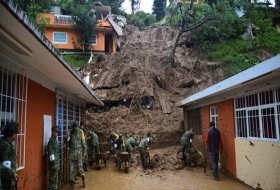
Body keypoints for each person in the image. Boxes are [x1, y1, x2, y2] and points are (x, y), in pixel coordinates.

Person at [0, 122, 19, 190]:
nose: (16, 136)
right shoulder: (6, 147)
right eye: (16, 134)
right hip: (7, 183)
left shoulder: (4, 142)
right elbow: (5, 167)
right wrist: (12, 173)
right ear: (13, 135)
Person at [68, 121, 87, 189]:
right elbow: (67, 142)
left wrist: (84, 151)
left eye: (76, 128)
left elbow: (83, 142)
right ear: (73, 127)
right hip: (72, 154)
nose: (75, 130)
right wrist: (67, 137)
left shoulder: (81, 132)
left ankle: (84, 180)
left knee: (80, 168)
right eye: (74, 128)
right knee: (71, 170)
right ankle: (72, 185)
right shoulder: (70, 132)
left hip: (79, 154)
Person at [48, 126, 60, 190]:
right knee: (52, 182)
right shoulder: (51, 141)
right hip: (53, 166)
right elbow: (51, 154)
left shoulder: (54, 140)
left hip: (56, 165)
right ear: (53, 132)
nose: (57, 133)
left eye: (58, 132)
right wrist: (54, 164)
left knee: (55, 181)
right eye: (56, 132)